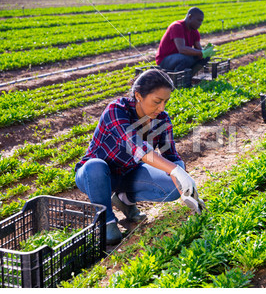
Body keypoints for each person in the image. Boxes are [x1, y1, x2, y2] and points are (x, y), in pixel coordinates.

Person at [75, 69, 205, 245]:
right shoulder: (117, 110)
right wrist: (175, 170)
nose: (162, 108)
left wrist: (185, 184)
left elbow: (171, 155)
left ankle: (124, 199)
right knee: (95, 165)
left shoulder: (162, 120)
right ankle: (106, 219)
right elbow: (136, 146)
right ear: (138, 95)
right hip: (94, 176)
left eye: (166, 102)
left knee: (173, 187)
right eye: (157, 101)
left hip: (128, 175)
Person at [155, 7, 215, 75]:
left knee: (205, 57)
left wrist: (206, 52)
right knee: (186, 58)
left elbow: (198, 49)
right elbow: (182, 49)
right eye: (198, 20)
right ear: (190, 17)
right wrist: (202, 52)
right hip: (165, 60)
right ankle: (176, 79)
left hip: (179, 58)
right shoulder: (177, 26)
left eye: (201, 21)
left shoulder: (195, 32)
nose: (200, 23)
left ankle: (189, 77)